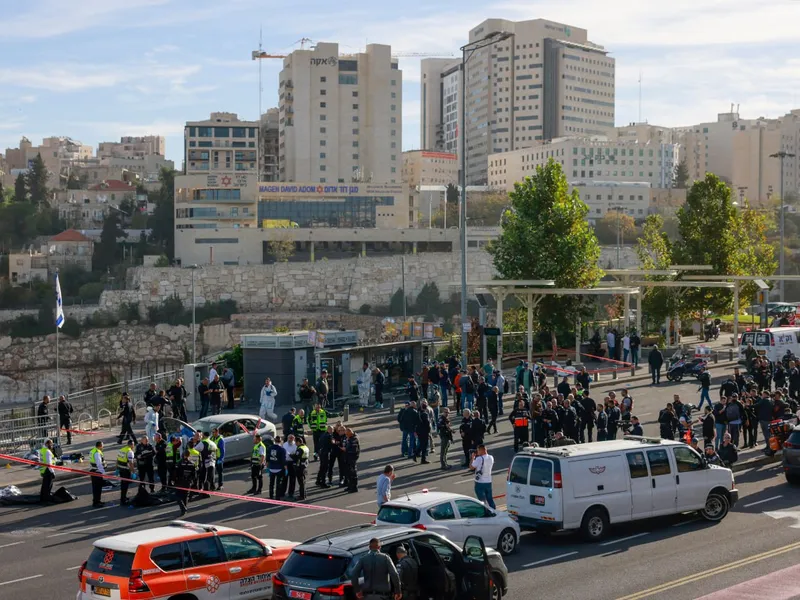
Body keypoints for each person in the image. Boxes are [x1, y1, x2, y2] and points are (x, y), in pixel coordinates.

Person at [470, 444, 496, 509]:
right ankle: (494, 511)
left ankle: (485, 512)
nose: (477, 452)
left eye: (478, 450)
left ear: (482, 450)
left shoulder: (479, 459)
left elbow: (471, 467)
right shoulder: (491, 457)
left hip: (479, 483)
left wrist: (472, 458)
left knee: (482, 501)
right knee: (490, 499)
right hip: (488, 482)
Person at [174, 449, 197, 517]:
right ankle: (184, 509)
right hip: (188, 482)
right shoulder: (192, 463)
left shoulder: (180, 462)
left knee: (177, 495)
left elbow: (176, 473)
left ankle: (183, 508)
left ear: (183, 455)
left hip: (180, 481)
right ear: (189, 455)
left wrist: (174, 480)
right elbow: (194, 475)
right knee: (185, 496)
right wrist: (191, 481)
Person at [116, 438, 136, 506]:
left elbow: (117, 459)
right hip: (125, 470)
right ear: (132, 445)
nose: (134, 446)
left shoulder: (122, 449)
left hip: (121, 469)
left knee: (123, 484)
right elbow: (131, 463)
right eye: (133, 445)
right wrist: (133, 472)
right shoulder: (130, 452)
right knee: (125, 485)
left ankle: (123, 497)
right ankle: (123, 500)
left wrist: (117, 469)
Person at [89, 441, 106, 507]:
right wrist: (103, 473)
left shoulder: (93, 450)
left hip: (93, 471)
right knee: (97, 488)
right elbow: (99, 464)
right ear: (100, 446)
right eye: (102, 446)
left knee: (96, 488)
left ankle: (97, 501)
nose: (103, 447)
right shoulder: (97, 453)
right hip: (97, 472)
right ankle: (96, 502)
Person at [39, 438, 56, 503]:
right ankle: (46, 499)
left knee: (44, 485)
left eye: (51, 443)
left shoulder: (42, 450)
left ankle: (43, 498)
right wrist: (52, 472)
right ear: (46, 443)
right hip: (48, 470)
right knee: (48, 486)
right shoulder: (48, 451)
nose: (51, 445)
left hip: (44, 470)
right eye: (50, 443)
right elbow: (49, 463)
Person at [294, 436, 310, 501]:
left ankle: (302, 496)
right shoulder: (305, 447)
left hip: (300, 467)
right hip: (305, 465)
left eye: (295, 442)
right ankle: (304, 494)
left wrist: (291, 455)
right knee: (303, 481)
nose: (295, 443)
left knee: (301, 482)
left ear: (298, 442)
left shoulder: (300, 448)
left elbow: (296, 457)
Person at [345, 428, 361, 493]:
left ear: (350, 434)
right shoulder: (351, 438)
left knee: (353, 473)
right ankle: (350, 486)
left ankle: (354, 487)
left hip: (352, 458)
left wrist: (345, 449)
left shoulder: (354, 439)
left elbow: (354, 450)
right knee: (348, 473)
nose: (346, 435)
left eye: (347, 434)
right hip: (349, 457)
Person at [283, 434, 299, 499]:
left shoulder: (296, 445)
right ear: (287, 438)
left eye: (292, 438)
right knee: (285, 478)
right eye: (289, 438)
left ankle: (291, 493)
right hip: (286, 463)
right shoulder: (284, 444)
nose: (291, 440)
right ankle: (282, 492)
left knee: (292, 479)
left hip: (292, 463)